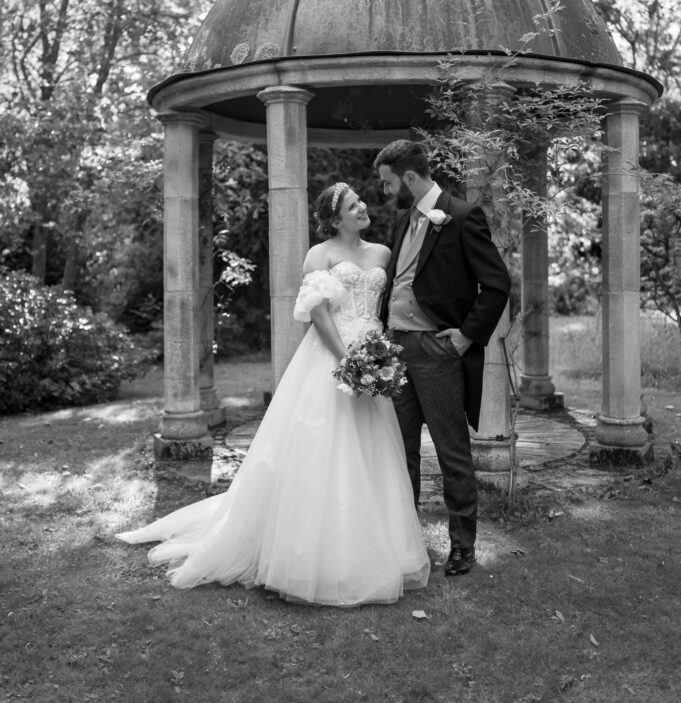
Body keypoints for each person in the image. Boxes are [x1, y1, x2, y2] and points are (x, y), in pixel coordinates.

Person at [116, 182, 430, 607]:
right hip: (333, 359)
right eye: (353, 205)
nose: (363, 208)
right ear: (335, 218)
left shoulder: (382, 254)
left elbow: (384, 305)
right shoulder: (319, 255)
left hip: (374, 358)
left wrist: (378, 359)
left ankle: (383, 549)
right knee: (326, 450)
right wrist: (350, 363)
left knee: (375, 449)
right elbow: (317, 314)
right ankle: (313, 556)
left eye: (361, 202)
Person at [375, 140, 511, 576]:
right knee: (402, 452)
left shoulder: (463, 216)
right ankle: (403, 543)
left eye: (388, 182)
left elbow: (496, 286)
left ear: (410, 178)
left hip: (437, 350)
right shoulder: (403, 219)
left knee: (452, 452)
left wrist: (465, 338)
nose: (385, 190)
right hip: (395, 351)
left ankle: (462, 546)